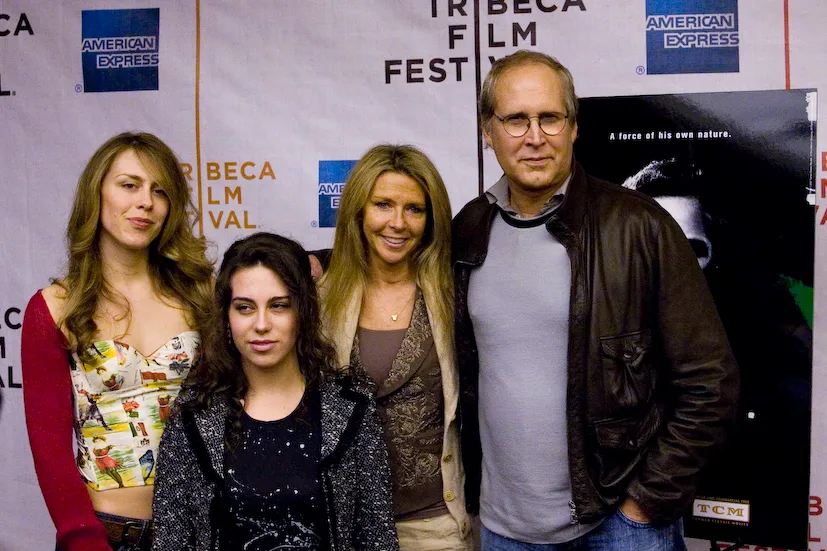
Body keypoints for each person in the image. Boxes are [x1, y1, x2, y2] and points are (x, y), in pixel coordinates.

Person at [451, 50, 739, 550]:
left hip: (617, 526)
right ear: (487, 130)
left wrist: (644, 504)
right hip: (503, 531)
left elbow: (710, 383)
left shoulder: (640, 226)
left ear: (574, 126)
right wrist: (315, 261)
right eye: (516, 119)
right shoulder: (470, 228)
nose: (535, 136)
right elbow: (390, 262)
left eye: (550, 117)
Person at [21, 132, 214, 551]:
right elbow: (49, 450)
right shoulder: (55, 307)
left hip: (201, 530)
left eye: (160, 191)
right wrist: (84, 541)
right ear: (97, 193)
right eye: (129, 185)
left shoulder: (201, 296)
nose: (145, 201)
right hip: (106, 533)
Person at [151, 232, 399, 551]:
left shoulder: (352, 407)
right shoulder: (193, 414)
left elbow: (378, 537)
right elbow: (170, 539)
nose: (262, 324)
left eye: (279, 306)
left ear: (303, 311)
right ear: (226, 315)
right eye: (245, 308)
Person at [318, 145, 473, 549]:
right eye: (383, 205)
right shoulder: (322, 298)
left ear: (430, 219)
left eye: (414, 210)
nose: (397, 223)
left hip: (435, 523)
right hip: (345, 526)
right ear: (358, 211)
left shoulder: (453, 293)